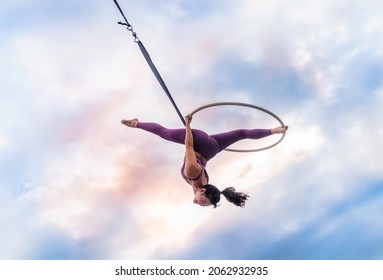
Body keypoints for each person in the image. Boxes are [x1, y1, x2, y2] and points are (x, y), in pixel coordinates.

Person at [121, 115, 287, 208]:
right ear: (202, 192)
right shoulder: (192, 173)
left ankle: (274, 130)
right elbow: (188, 145)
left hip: (212, 149)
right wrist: (187, 125)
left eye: (205, 205)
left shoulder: (204, 186)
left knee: (242, 133)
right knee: (163, 132)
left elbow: (199, 193)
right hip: (198, 141)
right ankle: (137, 123)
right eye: (204, 202)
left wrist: (198, 197)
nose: (201, 205)